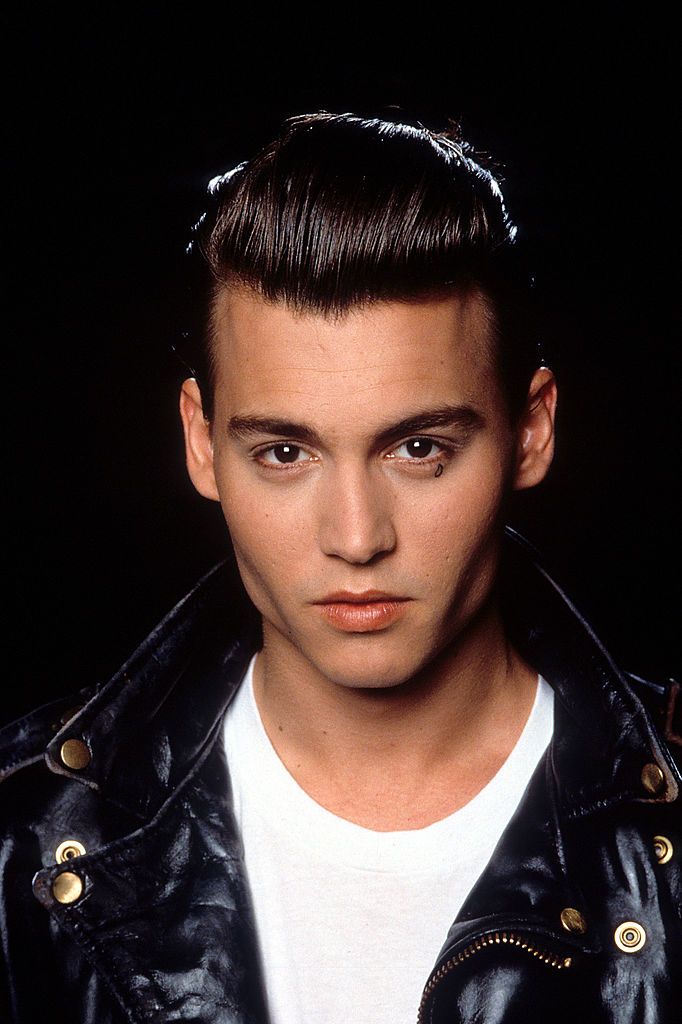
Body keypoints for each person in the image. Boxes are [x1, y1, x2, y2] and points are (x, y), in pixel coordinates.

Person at [0, 112, 679, 1024]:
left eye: (420, 449)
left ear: (531, 430)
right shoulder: (28, 842)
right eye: (285, 453)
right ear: (201, 443)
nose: (356, 539)